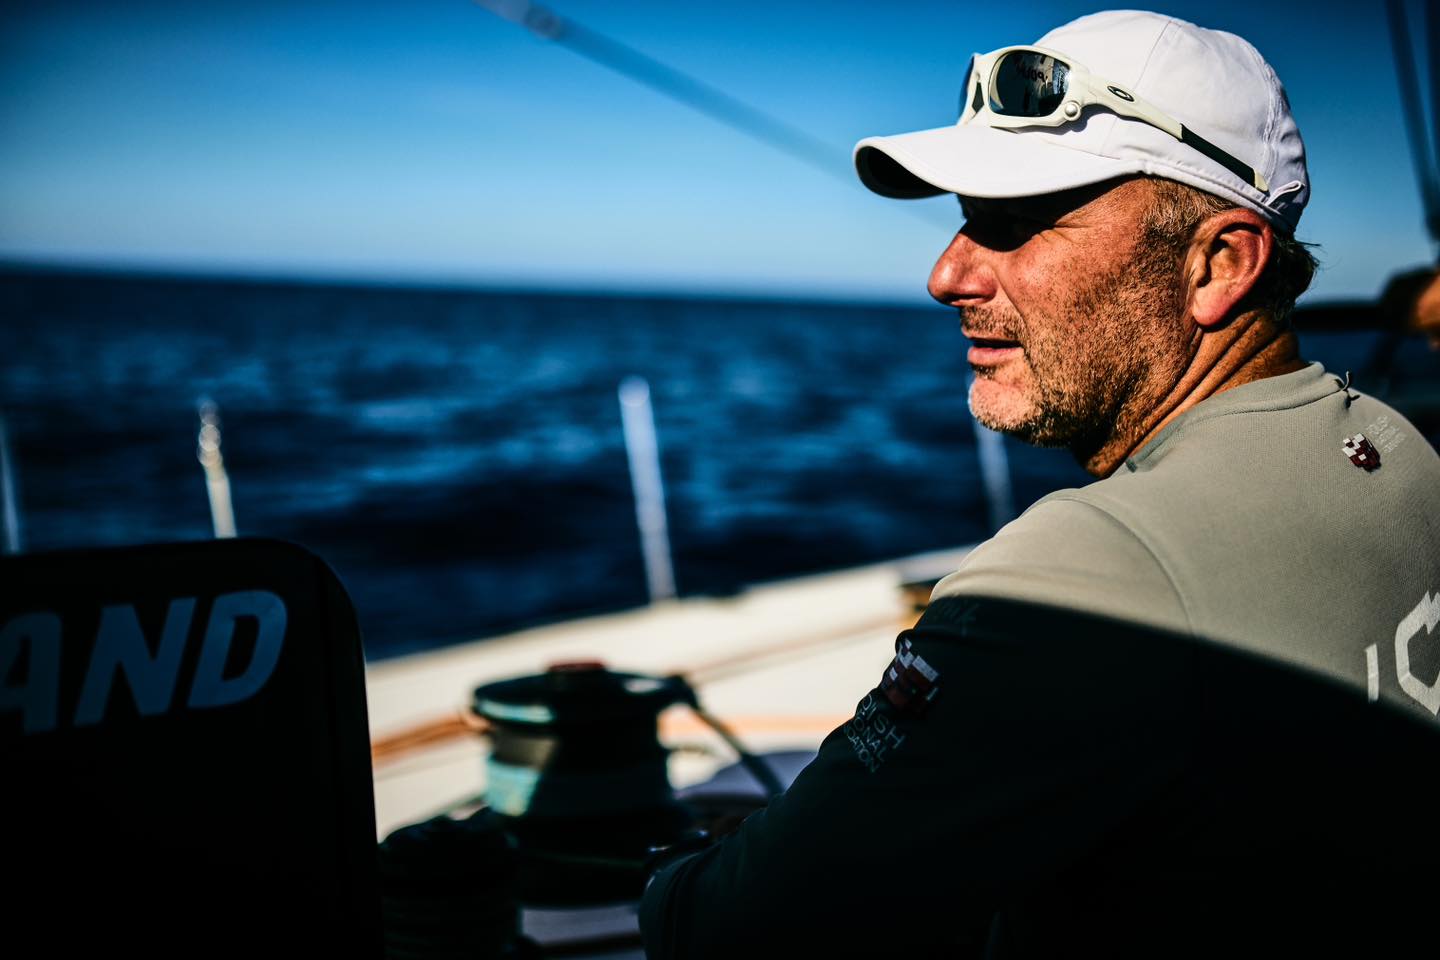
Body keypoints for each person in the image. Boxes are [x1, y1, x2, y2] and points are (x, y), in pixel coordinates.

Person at [639, 11, 1440, 957]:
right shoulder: (1402, 453)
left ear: (1218, 264)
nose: (946, 274)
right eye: (966, 220)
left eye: (1016, 224)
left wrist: (667, 878)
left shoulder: (1084, 578)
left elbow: (736, 930)